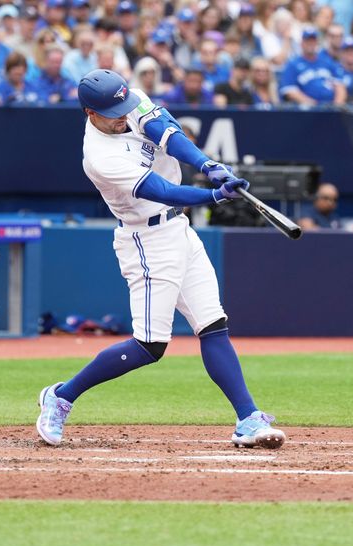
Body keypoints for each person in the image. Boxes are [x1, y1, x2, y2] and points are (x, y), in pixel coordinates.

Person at [35, 69, 285, 450]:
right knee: (150, 346)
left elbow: (168, 134)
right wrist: (214, 196)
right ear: (90, 114)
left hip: (179, 232)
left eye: (124, 106)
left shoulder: (128, 100)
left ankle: (248, 418)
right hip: (146, 239)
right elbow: (163, 190)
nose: (123, 114)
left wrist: (208, 166)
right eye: (113, 111)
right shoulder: (99, 157)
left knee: (213, 325)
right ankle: (62, 396)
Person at [279, 27, 346, 106]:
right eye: (308, 41)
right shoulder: (293, 64)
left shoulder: (327, 61)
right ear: (302, 43)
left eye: (313, 41)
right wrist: (311, 104)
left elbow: (340, 86)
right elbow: (289, 91)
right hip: (307, 111)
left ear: (317, 43)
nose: (310, 43)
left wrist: (337, 106)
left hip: (331, 109)